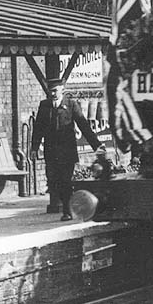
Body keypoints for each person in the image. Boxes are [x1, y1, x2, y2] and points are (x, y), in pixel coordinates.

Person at [30, 77, 101, 221]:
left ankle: (67, 211)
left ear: (62, 90)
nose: (53, 94)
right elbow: (38, 129)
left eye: (55, 91)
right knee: (52, 181)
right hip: (51, 152)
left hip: (67, 152)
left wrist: (97, 146)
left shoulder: (71, 104)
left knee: (65, 181)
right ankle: (65, 205)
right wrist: (34, 147)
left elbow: (83, 125)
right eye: (50, 91)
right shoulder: (44, 106)